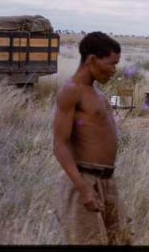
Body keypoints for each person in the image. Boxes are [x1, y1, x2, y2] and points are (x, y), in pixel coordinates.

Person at [53, 32, 126, 245]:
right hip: (84, 180)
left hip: (106, 181)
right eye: (111, 64)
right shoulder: (71, 91)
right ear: (92, 59)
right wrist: (83, 188)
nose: (114, 70)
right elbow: (59, 144)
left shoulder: (97, 93)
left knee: (120, 240)